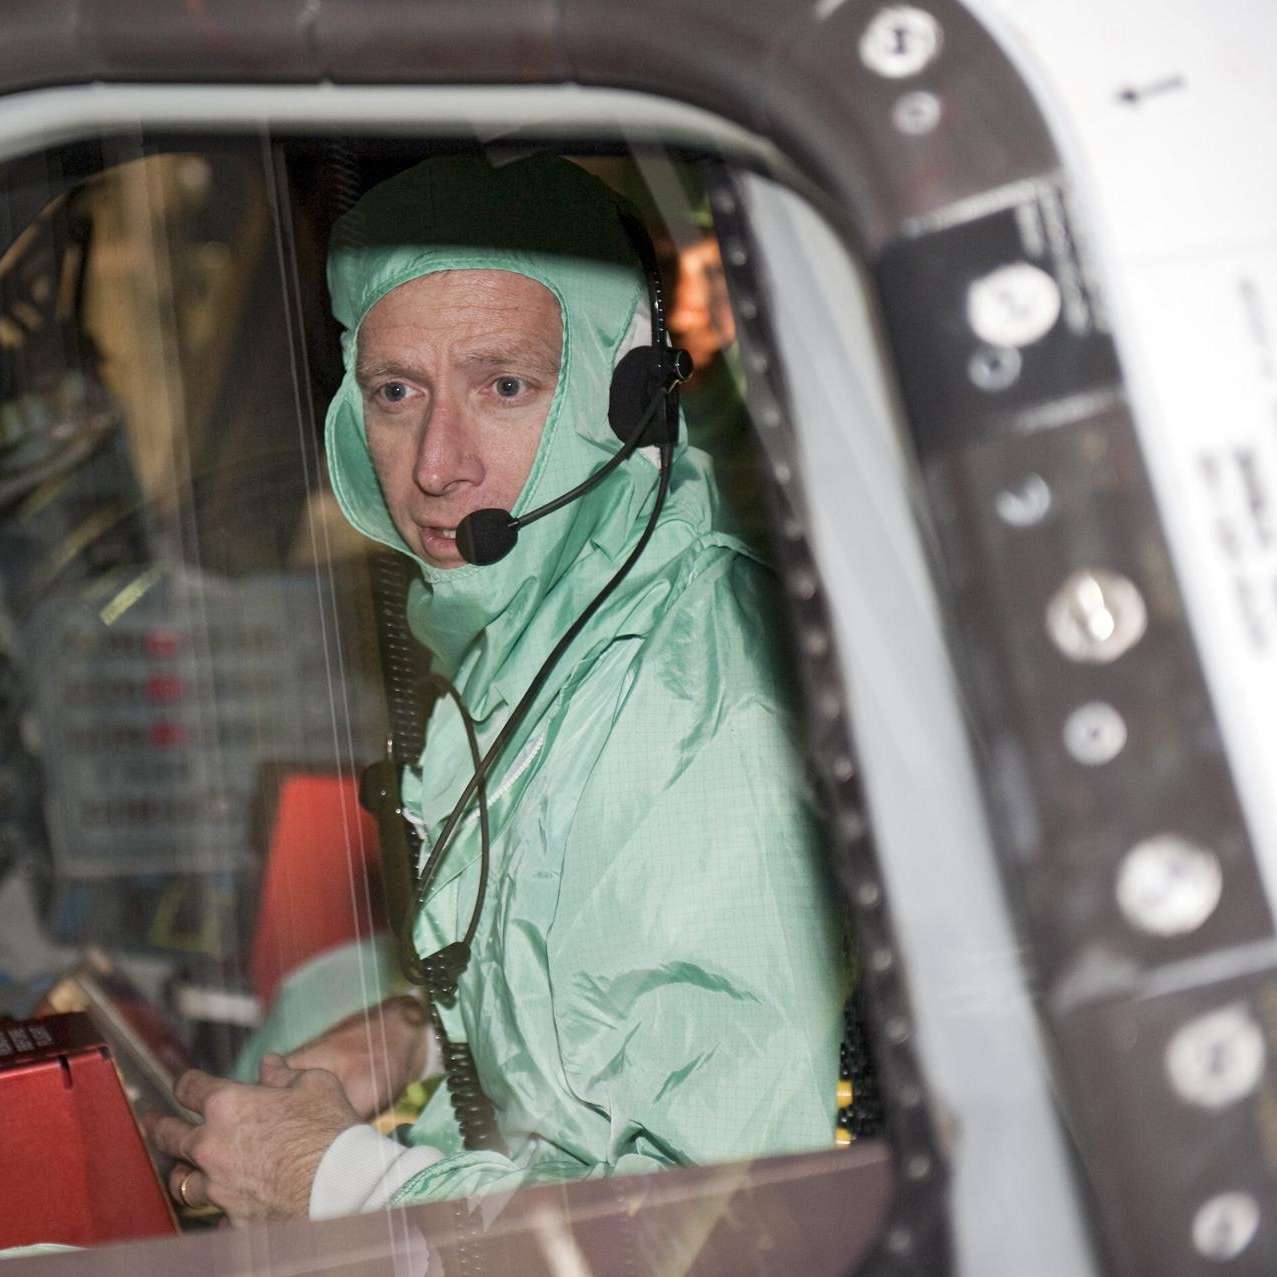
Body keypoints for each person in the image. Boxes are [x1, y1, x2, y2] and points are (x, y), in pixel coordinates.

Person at [145, 154, 847, 1222]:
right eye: (396, 392)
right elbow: (593, 973)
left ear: (623, 397)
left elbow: (719, 1235)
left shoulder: (708, 713)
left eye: (503, 386)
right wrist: (422, 1032)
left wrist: (335, 1181)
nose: (437, 464)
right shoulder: (546, 617)